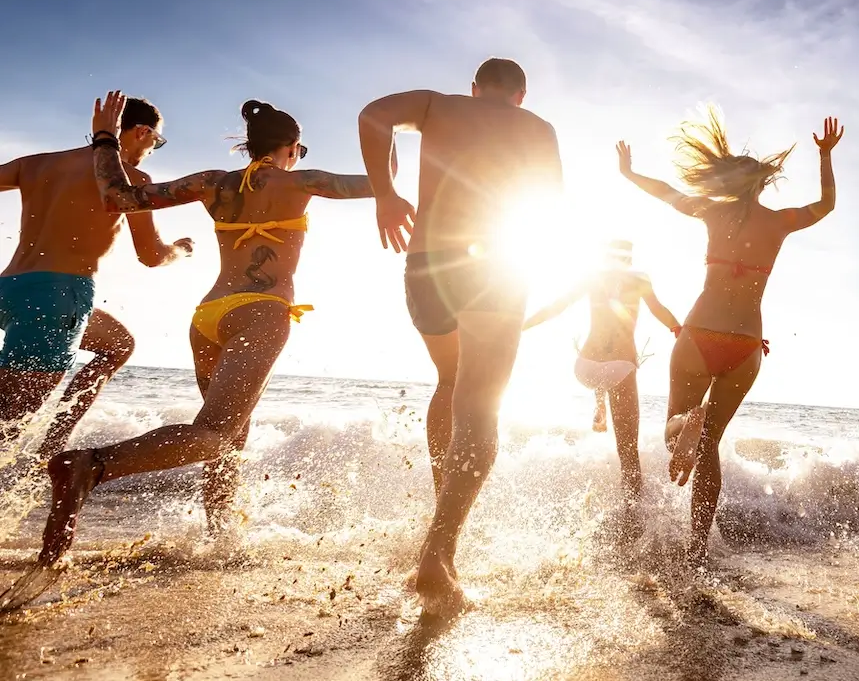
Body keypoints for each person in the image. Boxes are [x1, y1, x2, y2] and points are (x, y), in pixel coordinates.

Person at [9, 93, 377, 591]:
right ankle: (90, 466)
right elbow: (382, 184)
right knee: (216, 433)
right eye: (300, 150)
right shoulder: (301, 181)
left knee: (232, 431)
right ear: (291, 148)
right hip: (259, 313)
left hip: (207, 317)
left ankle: (222, 536)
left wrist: (103, 139)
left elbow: (123, 196)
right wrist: (392, 141)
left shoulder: (211, 183)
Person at [359, 57, 563, 613]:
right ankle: (440, 553)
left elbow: (372, 115)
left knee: (449, 380)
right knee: (480, 403)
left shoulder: (436, 105)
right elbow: (550, 206)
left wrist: (385, 192)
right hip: (494, 265)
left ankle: (439, 509)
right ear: (521, 94)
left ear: (475, 88)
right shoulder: (537, 127)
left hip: (425, 267)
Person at [617, 107, 843, 565]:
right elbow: (825, 206)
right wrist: (824, 156)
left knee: (672, 431)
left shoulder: (710, 211)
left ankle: (684, 424)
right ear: (762, 184)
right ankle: (697, 548)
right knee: (711, 445)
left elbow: (666, 193)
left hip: (699, 333)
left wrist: (629, 172)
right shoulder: (778, 222)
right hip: (745, 345)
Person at [0, 95, 191, 459]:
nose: (153, 150)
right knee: (7, 425)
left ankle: (53, 444)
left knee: (118, 345)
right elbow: (150, 255)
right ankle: (51, 448)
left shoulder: (36, 164)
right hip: (57, 298)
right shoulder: (132, 179)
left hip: (9, 289)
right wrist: (179, 250)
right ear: (141, 132)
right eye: (157, 141)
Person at [522, 239, 680, 529]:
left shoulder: (591, 278)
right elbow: (659, 310)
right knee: (628, 451)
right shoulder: (639, 279)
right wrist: (679, 328)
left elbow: (557, 306)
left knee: (605, 376)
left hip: (585, 366)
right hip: (619, 367)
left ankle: (599, 404)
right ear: (630, 259)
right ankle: (632, 519)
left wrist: (521, 325)